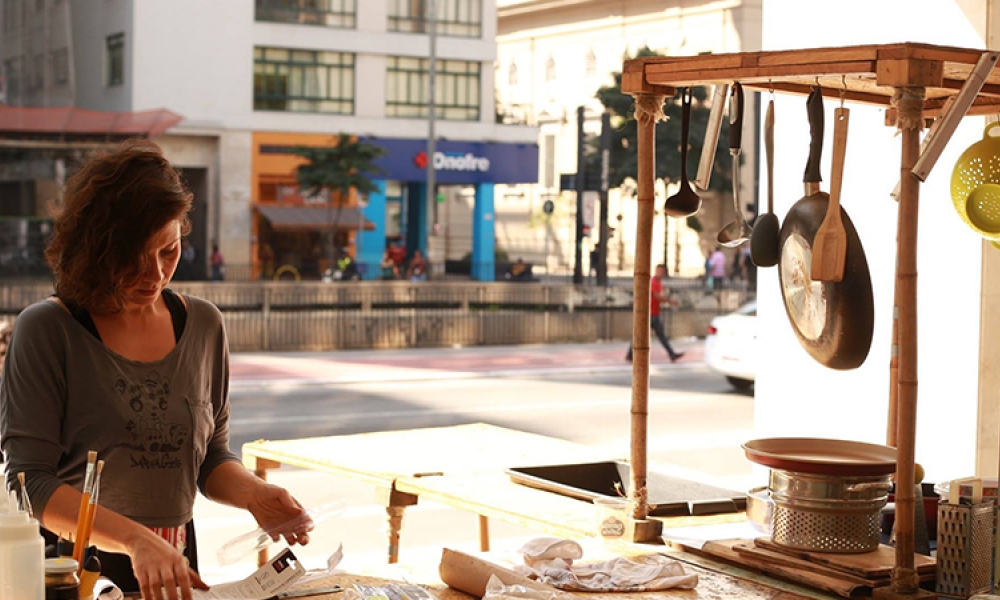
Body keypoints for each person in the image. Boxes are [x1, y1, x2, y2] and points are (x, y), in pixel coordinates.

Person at [0, 140, 311, 600]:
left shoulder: (204, 325)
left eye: (168, 252)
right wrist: (134, 539)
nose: (155, 275)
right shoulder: (49, 330)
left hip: (175, 566)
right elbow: (31, 484)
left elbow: (210, 458)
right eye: (133, 258)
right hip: (74, 570)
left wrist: (252, 493)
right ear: (96, 250)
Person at [626, 264, 684, 363]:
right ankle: (671, 354)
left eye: (662, 272)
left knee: (652, 335)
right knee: (643, 335)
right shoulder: (654, 282)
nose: (661, 273)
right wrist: (670, 301)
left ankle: (671, 354)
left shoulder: (657, 282)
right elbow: (657, 296)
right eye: (660, 271)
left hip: (653, 314)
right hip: (650, 314)